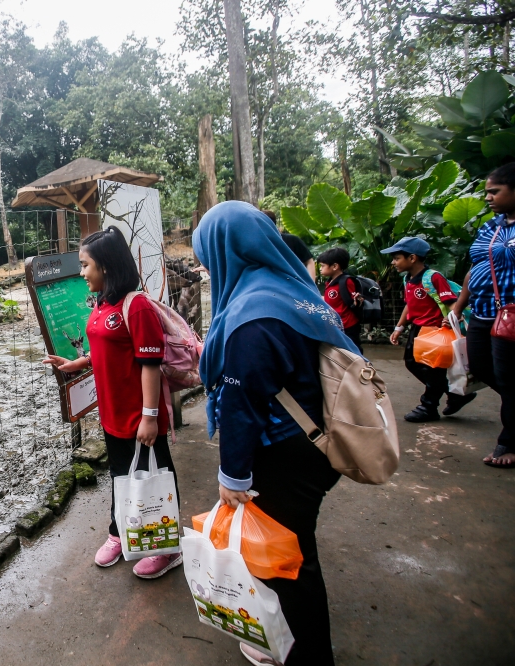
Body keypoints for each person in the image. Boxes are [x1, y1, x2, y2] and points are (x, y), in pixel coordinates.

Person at [193, 201, 357, 666]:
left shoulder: (252, 314)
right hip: (317, 438)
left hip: (283, 452)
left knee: (291, 563)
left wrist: (234, 477)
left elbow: (244, 404)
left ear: (225, 248)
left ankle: (307, 653)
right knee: (296, 548)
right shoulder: (295, 289)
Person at [42, 226, 180, 579]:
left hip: (139, 414)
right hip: (112, 413)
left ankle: (166, 547)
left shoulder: (137, 307)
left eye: (86, 265)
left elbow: (149, 364)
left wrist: (150, 417)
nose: (82, 272)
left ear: (106, 266)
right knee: (121, 474)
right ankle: (120, 532)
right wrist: (78, 363)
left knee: (154, 475)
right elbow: (103, 345)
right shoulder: (103, 302)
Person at [451, 163, 515, 468]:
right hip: (483, 310)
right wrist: (460, 304)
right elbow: (476, 267)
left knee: (507, 375)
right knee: (479, 368)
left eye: (495, 191)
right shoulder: (492, 226)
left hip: (511, 314)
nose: (488, 197)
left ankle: (509, 441)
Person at [383, 237, 476, 422]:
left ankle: (428, 406)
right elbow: (409, 305)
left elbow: (451, 302)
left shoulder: (433, 277)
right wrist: (399, 327)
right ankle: (456, 394)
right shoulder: (408, 280)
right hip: (418, 329)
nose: (393, 262)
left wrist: (454, 319)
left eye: (396, 258)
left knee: (432, 369)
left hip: (435, 330)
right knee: (412, 362)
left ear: (412, 258)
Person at [317, 247, 364, 351]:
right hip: (337, 325)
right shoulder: (330, 283)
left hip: (348, 325)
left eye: (323, 266)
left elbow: (354, 300)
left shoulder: (346, 281)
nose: (320, 268)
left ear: (335, 266)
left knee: (352, 351)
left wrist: (357, 300)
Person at [262, 209, 315, 277]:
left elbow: (309, 261)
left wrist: (312, 284)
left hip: (293, 283)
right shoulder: (257, 244)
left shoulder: (292, 240)